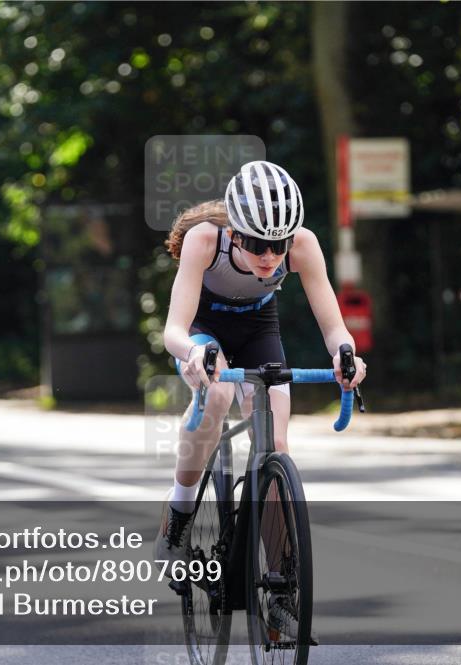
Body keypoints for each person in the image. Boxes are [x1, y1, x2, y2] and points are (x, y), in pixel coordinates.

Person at [156, 160, 367, 638]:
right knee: (219, 393)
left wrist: (346, 356)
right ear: (235, 232)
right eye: (255, 244)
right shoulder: (204, 241)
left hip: (257, 328)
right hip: (202, 329)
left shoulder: (303, 246)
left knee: (275, 435)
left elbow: (334, 327)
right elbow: (172, 328)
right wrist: (194, 355)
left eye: (279, 244)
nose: (270, 256)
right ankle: (179, 515)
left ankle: (280, 591)